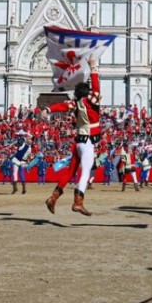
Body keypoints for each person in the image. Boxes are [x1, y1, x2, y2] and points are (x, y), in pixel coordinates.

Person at [44, 59, 102, 216]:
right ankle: (78, 202)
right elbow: (96, 89)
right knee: (85, 173)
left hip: (78, 142)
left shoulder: (75, 103)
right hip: (88, 142)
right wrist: (93, 68)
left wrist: (49, 109)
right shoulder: (91, 102)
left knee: (70, 172)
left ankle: (53, 198)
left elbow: (62, 105)